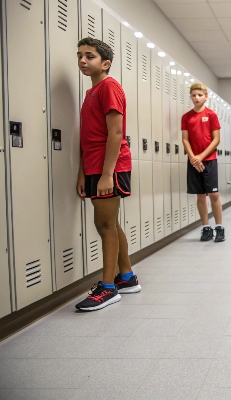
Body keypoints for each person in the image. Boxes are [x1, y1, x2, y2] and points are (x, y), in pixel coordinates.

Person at [75, 37, 141, 311]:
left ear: (105, 63)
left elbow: (115, 132)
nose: (82, 60)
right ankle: (126, 277)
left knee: (104, 226)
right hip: (95, 164)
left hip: (109, 166)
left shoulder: (109, 87)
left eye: (89, 56)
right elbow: (89, 138)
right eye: (79, 55)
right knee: (111, 224)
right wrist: (83, 172)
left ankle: (108, 288)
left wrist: (106, 174)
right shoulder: (91, 92)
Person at [181, 82, 225, 242]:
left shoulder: (211, 115)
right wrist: (193, 157)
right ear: (191, 97)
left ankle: (219, 227)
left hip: (209, 160)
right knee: (200, 196)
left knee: (213, 194)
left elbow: (216, 140)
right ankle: (206, 228)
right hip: (194, 161)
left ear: (206, 97)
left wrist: (201, 157)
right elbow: (185, 140)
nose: (196, 98)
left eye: (199, 95)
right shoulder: (186, 117)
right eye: (193, 95)